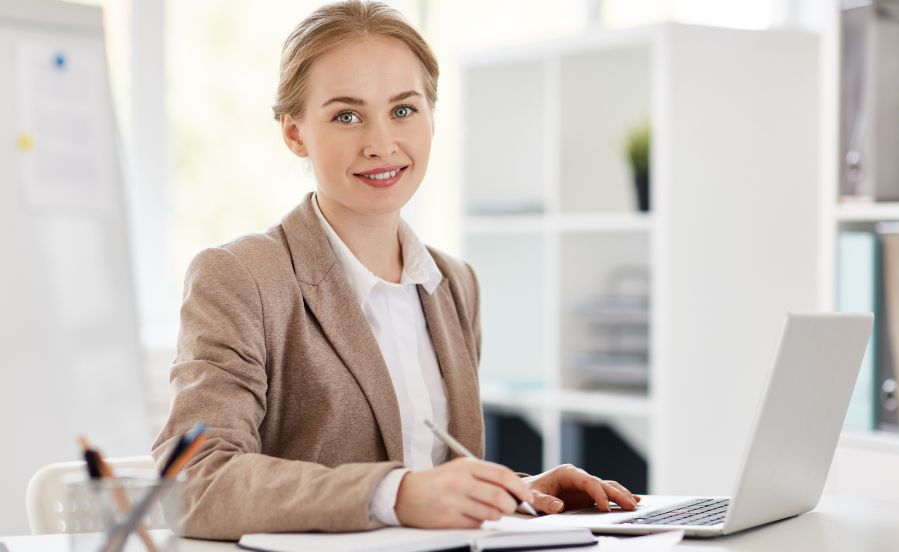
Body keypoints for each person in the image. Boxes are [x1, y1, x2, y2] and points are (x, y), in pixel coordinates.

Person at [152, 0, 639, 540]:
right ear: (294, 133)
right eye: (346, 115)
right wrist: (397, 493)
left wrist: (518, 495)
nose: (381, 143)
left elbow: (423, 483)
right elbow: (188, 481)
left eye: (403, 110)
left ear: (432, 114)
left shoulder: (454, 285)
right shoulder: (242, 277)